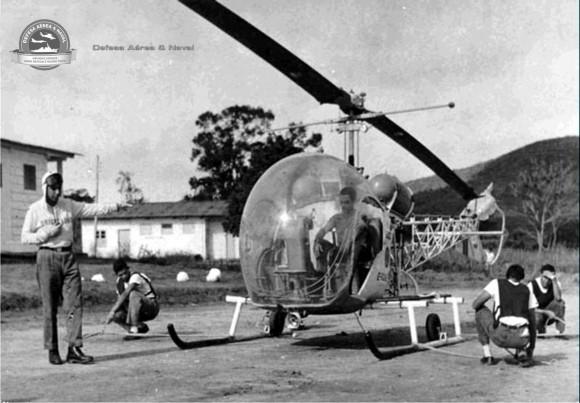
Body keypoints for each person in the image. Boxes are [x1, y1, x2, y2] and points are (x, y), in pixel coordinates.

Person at [21, 171, 129, 365]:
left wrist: (116, 206)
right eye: (52, 188)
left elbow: (91, 209)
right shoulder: (35, 210)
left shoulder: (68, 205)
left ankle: (74, 348)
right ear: (44, 187)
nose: (55, 192)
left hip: (69, 257)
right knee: (50, 306)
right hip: (47, 256)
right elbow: (24, 236)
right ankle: (52, 349)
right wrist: (42, 235)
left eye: (58, 188)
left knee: (74, 303)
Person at [472, 264, 537, 367]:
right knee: (524, 318)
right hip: (522, 339)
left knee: (479, 311)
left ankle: (487, 355)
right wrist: (531, 348)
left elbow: (475, 304)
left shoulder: (497, 283)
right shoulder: (527, 290)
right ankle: (522, 353)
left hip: (502, 336)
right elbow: (533, 321)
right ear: (521, 277)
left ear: (507, 275)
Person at [313, 186, 370, 291]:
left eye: (347, 202)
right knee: (321, 246)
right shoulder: (337, 218)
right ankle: (321, 283)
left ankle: (349, 287)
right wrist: (317, 241)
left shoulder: (358, 216)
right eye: (342, 202)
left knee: (355, 245)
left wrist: (353, 236)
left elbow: (362, 226)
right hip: (341, 250)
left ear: (353, 202)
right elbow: (324, 230)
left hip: (355, 251)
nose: (343, 206)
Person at [105, 258, 159, 334]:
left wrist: (112, 311)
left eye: (125, 273)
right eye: (121, 275)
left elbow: (126, 293)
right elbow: (120, 299)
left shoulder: (135, 276)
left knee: (133, 294)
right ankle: (137, 328)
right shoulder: (119, 282)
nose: (124, 276)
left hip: (151, 307)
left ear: (128, 269)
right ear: (117, 275)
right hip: (136, 310)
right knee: (116, 315)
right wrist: (112, 314)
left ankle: (134, 328)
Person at [528, 264, 566, 334]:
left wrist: (554, 281)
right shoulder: (531, 286)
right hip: (537, 314)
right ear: (541, 275)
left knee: (561, 303)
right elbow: (530, 309)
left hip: (551, 314)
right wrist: (545, 312)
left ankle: (560, 332)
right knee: (536, 317)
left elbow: (558, 298)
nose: (547, 280)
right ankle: (540, 330)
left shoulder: (556, 283)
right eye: (545, 277)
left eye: (549, 278)